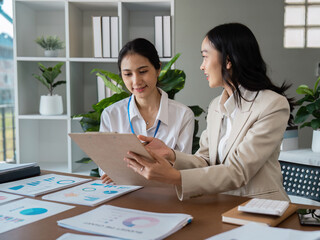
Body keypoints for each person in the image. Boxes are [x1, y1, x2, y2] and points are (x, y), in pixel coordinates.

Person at [123, 23, 295, 201]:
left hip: (260, 207)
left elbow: (238, 171)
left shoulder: (272, 105)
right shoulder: (215, 106)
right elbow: (205, 159)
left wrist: (175, 177)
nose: (202, 66)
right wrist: (170, 154)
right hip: (220, 204)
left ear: (228, 60)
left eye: (205, 57)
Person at [99, 38, 195, 183]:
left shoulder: (183, 115)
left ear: (158, 69)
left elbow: (183, 169)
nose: (136, 81)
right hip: (124, 194)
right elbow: (106, 169)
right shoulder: (111, 114)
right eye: (128, 74)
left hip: (166, 196)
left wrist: (126, 172)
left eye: (143, 71)